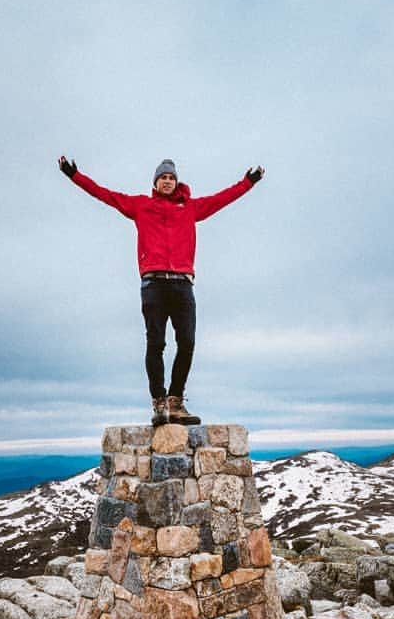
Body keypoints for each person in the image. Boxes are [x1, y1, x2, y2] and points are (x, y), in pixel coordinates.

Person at [58, 155, 264, 425]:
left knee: (187, 342)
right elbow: (104, 194)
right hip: (153, 283)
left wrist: (248, 182)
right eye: (163, 177)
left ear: (176, 182)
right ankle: (159, 404)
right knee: (156, 343)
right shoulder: (140, 206)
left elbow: (222, 199)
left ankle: (175, 402)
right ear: (155, 182)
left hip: (182, 283)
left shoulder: (190, 208)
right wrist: (74, 175)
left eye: (171, 177)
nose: (167, 181)